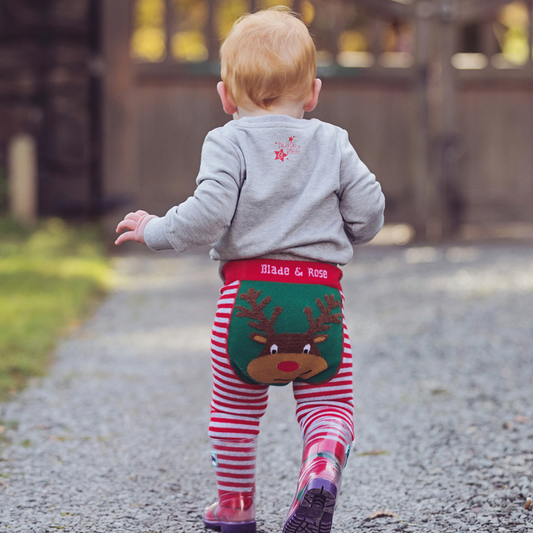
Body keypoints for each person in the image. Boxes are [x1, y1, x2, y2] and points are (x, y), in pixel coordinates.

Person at [115, 6, 385, 533]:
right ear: (313, 94)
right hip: (320, 305)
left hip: (248, 306)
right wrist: (347, 233)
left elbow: (208, 214)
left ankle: (236, 509)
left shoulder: (227, 141)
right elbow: (371, 210)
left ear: (225, 96)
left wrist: (155, 229)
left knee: (235, 416)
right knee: (329, 405)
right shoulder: (333, 142)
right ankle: (324, 455)